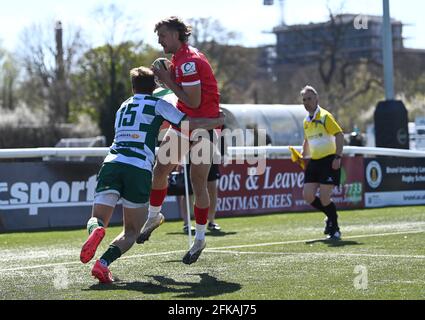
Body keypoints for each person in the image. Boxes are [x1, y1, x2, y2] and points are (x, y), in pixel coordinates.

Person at [79, 66, 224, 284]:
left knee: (97, 218)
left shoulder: (123, 106)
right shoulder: (158, 104)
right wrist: (214, 122)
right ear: (155, 86)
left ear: (133, 87)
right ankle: (103, 264)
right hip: (137, 167)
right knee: (132, 232)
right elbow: (188, 125)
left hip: (112, 162)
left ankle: (97, 230)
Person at [136, 16, 221, 265]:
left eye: (162, 35)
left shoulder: (188, 63)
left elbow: (194, 102)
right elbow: (186, 100)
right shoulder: (180, 59)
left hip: (204, 126)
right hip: (186, 123)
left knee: (198, 183)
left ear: (176, 34)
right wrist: (168, 80)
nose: (159, 40)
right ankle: (154, 216)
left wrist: (169, 80)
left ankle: (200, 237)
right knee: (160, 170)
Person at [300, 85, 344, 240]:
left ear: (317, 99)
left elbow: (339, 135)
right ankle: (330, 215)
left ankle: (335, 228)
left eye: (309, 99)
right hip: (314, 162)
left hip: (328, 161)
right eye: (304, 100)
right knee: (308, 195)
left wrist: (337, 157)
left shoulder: (325, 116)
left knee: (325, 197)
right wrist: (302, 154)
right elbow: (307, 139)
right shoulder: (306, 121)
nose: (306, 102)